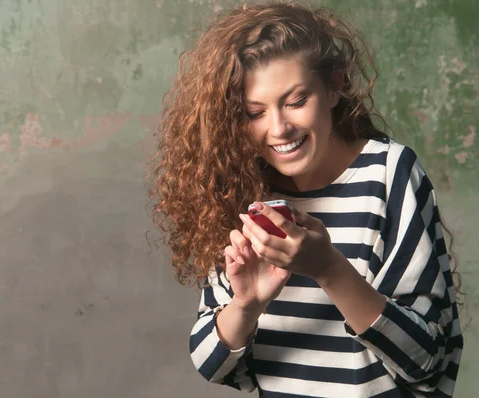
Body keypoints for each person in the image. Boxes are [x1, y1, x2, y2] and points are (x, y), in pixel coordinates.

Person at [148, 1, 463, 397]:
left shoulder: (390, 173)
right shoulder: (241, 189)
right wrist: (246, 305)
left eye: (296, 101)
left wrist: (328, 268)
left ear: (334, 87)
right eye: (254, 112)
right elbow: (213, 364)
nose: (278, 128)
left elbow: (426, 359)